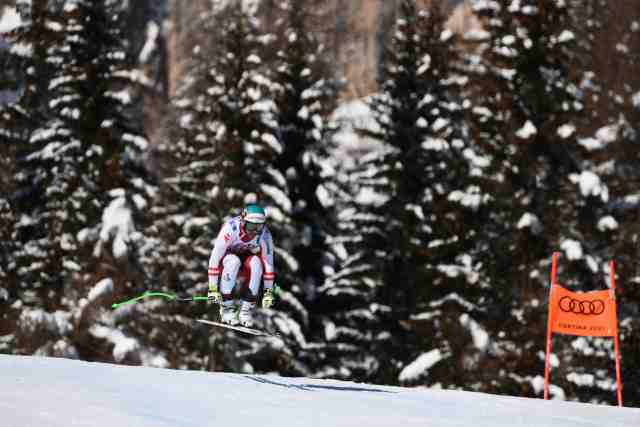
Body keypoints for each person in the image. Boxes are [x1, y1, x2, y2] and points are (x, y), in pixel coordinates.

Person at [207, 204, 275, 327]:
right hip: (227, 260)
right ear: (243, 222)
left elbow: (268, 263)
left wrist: (268, 292)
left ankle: (245, 310)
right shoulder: (230, 228)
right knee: (233, 261)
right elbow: (215, 257)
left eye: (258, 227)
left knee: (257, 263)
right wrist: (212, 288)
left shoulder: (264, 234)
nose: (254, 231)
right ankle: (227, 308)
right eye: (251, 226)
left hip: (246, 260)